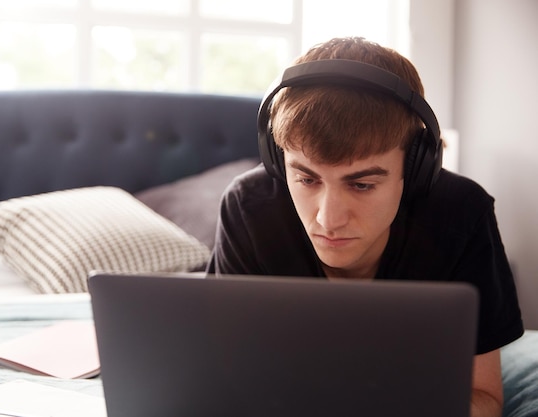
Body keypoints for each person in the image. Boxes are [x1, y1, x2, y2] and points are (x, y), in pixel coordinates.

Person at [207, 37, 524, 417]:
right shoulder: (248, 209)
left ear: (415, 169)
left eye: (361, 184)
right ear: (278, 162)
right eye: (306, 179)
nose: (328, 219)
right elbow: (224, 387)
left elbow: (485, 399)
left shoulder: (462, 215)